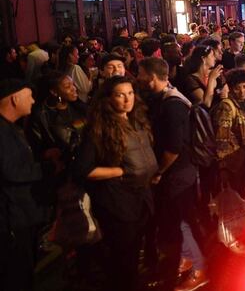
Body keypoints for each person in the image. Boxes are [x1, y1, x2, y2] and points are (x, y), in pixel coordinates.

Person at [73, 76, 157, 291]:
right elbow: (83, 170)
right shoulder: (97, 130)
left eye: (130, 93)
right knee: (122, 257)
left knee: (134, 251)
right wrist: (119, 170)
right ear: (108, 99)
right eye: (120, 94)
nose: (127, 99)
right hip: (118, 203)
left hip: (141, 198)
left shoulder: (136, 121)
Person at [137, 58, 207, 291]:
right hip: (178, 174)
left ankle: (200, 269)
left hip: (179, 175)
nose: (138, 78)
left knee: (183, 223)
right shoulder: (163, 99)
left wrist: (159, 172)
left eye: (141, 74)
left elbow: (174, 149)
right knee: (178, 223)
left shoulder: (172, 104)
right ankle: (187, 261)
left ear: (152, 77)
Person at [0, 79, 60, 290]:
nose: (33, 100)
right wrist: (48, 167)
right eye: (29, 96)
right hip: (14, 220)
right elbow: (12, 170)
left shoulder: (11, 127)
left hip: (22, 215)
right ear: (15, 98)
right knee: (18, 274)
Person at [211, 69, 245, 196]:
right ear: (231, 88)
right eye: (238, 88)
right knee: (235, 194)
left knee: (242, 192)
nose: (242, 91)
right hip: (234, 161)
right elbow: (222, 138)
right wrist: (223, 167)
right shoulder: (226, 106)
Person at [27, 72, 87, 165]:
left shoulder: (79, 107)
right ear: (54, 92)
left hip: (86, 159)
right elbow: (36, 149)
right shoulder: (40, 115)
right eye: (68, 86)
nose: (74, 89)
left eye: (73, 84)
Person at [180, 44, 224, 109]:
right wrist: (211, 79)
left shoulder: (215, 73)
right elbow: (206, 104)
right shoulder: (191, 80)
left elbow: (225, 92)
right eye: (212, 55)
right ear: (203, 58)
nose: (215, 58)